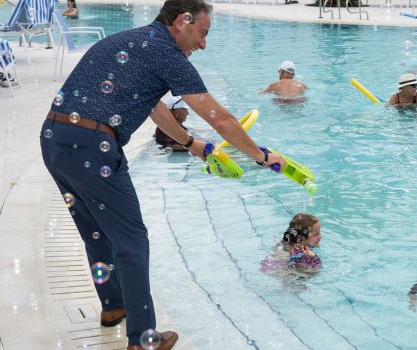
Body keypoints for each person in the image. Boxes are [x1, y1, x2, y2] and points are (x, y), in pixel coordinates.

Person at [39, 1, 285, 349]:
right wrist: (261, 156)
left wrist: (191, 142)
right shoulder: (166, 52)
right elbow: (221, 118)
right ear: (182, 21)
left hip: (54, 139)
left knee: (97, 233)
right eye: (202, 33)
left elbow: (153, 106)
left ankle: (114, 307)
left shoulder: (130, 40)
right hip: (93, 146)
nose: (203, 44)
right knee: (132, 240)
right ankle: (141, 339)